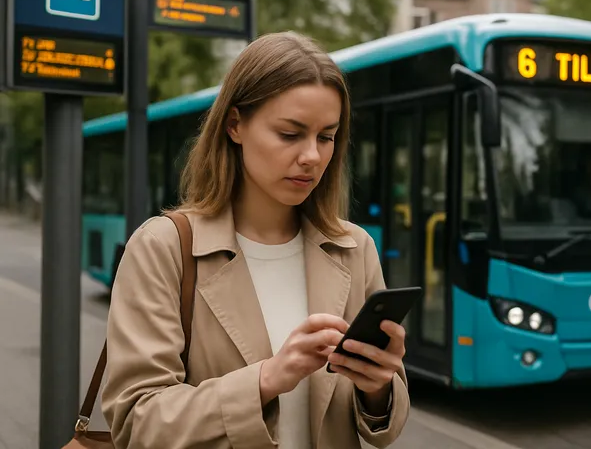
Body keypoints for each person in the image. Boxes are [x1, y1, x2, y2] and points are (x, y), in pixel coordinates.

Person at [101, 32, 410, 448]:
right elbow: (136, 421)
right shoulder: (164, 247)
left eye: (326, 136)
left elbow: (386, 424)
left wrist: (378, 388)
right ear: (235, 126)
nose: (313, 157)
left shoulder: (355, 248)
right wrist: (266, 379)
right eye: (289, 134)